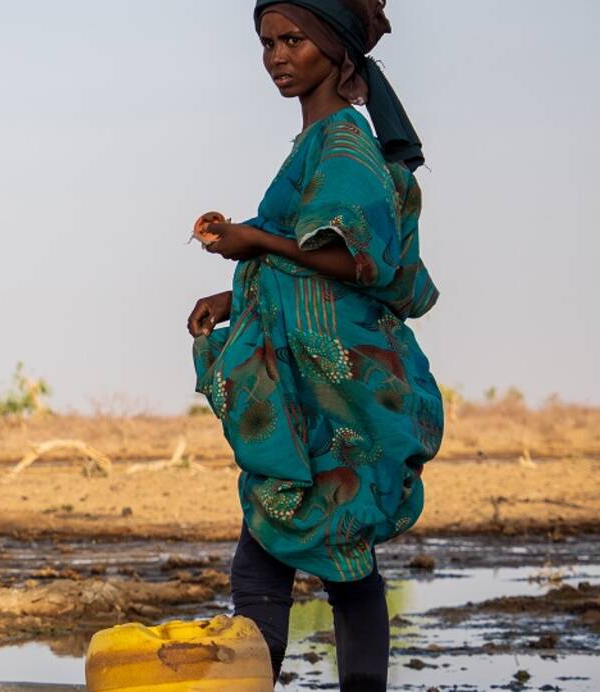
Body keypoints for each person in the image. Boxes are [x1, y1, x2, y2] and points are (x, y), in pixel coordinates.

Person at [186, 1, 442, 688]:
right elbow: (307, 265)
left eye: (293, 40)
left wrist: (253, 240)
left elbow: (357, 261)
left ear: (333, 48)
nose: (276, 56)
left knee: (271, 559)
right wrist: (236, 296)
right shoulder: (318, 142)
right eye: (268, 42)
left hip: (341, 392)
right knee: (341, 560)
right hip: (322, 388)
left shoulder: (344, 144)